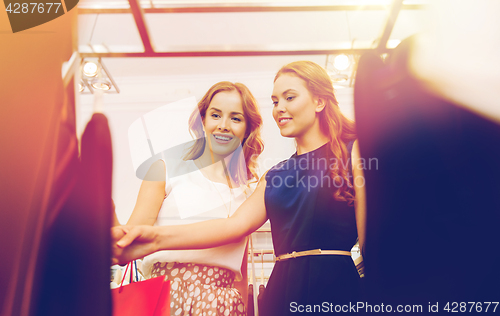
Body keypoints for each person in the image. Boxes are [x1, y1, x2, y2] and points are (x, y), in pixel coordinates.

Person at [112, 61, 366, 315]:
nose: (279, 109)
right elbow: (232, 226)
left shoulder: (354, 152)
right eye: (275, 101)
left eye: (290, 97)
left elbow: (370, 245)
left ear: (319, 102)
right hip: (280, 293)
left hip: (335, 287)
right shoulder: (273, 176)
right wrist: (153, 240)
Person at [122, 81, 264, 316]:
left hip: (225, 305)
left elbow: (241, 273)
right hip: (166, 297)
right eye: (215, 115)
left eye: (236, 118)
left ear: (248, 128)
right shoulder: (164, 169)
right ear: (203, 121)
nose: (223, 126)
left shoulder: (248, 192)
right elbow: (130, 238)